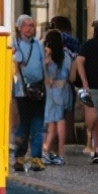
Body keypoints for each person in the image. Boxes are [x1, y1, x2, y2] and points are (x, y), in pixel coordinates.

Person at [71, 20, 98, 162]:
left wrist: (84, 83)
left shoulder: (87, 45)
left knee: (94, 120)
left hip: (93, 88)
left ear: (94, 31)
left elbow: (80, 63)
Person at [11, 15, 45, 172]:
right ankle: (19, 158)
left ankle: (36, 159)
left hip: (38, 89)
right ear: (20, 27)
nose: (31, 28)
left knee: (37, 125)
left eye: (33, 25)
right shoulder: (14, 45)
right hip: (22, 90)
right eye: (28, 25)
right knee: (24, 124)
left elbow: (43, 65)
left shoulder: (38, 45)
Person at [41, 29, 73, 165]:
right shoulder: (66, 56)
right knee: (60, 122)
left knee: (53, 124)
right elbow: (69, 74)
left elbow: (44, 75)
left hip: (52, 91)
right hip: (63, 90)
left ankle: (46, 152)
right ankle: (60, 152)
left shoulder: (48, 56)